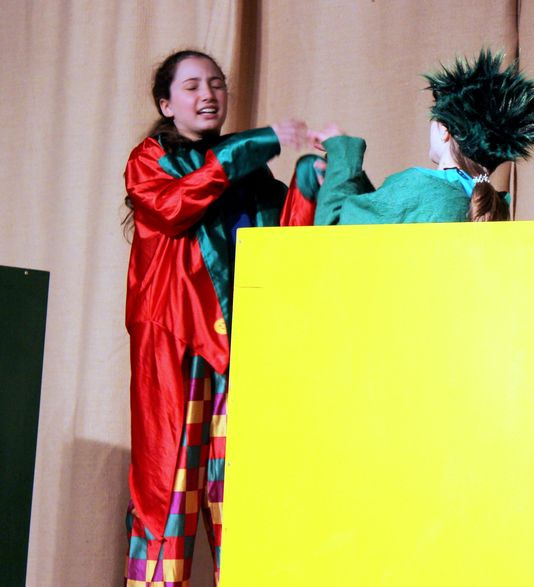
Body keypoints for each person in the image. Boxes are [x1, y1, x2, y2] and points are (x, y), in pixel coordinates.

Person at [122, 49, 311, 586]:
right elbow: (175, 206)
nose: (208, 94)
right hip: (178, 339)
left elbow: (282, 241)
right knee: (170, 485)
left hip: (239, 345)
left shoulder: (246, 168)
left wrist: (310, 181)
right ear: (166, 104)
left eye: (216, 83)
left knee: (239, 488)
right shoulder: (150, 159)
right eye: (192, 86)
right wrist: (255, 143)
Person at [312, 49, 534, 225]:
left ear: (445, 130)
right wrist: (350, 177)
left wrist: (342, 152)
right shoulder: (493, 207)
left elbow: (334, 235)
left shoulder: (418, 188)